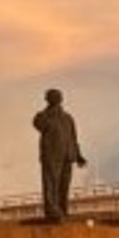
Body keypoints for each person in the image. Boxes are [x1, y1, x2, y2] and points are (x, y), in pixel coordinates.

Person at [33, 88, 87, 222]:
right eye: (53, 96)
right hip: (51, 155)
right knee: (51, 183)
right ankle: (52, 211)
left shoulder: (68, 118)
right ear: (47, 99)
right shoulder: (42, 116)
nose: (57, 98)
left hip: (68, 155)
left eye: (58, 96)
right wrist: (49, 113)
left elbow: (73, 138)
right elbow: (39, 125)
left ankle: (62, 210)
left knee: (64, 184)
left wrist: (78, 155)